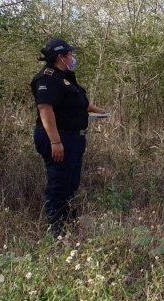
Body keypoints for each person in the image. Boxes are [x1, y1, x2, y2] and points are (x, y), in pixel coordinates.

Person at [30, 37, 106, 237]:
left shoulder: (65, 77)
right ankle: (57, 233)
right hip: (58, 138)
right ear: (60, 57)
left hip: (73, 139)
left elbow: (76, 102)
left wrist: (97, 110)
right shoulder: (47, 78)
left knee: (70, 185)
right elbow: (45, 109)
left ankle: (69, 228)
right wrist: (55, 142)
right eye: (70, 54)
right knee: (58, 186)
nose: (72, 57)